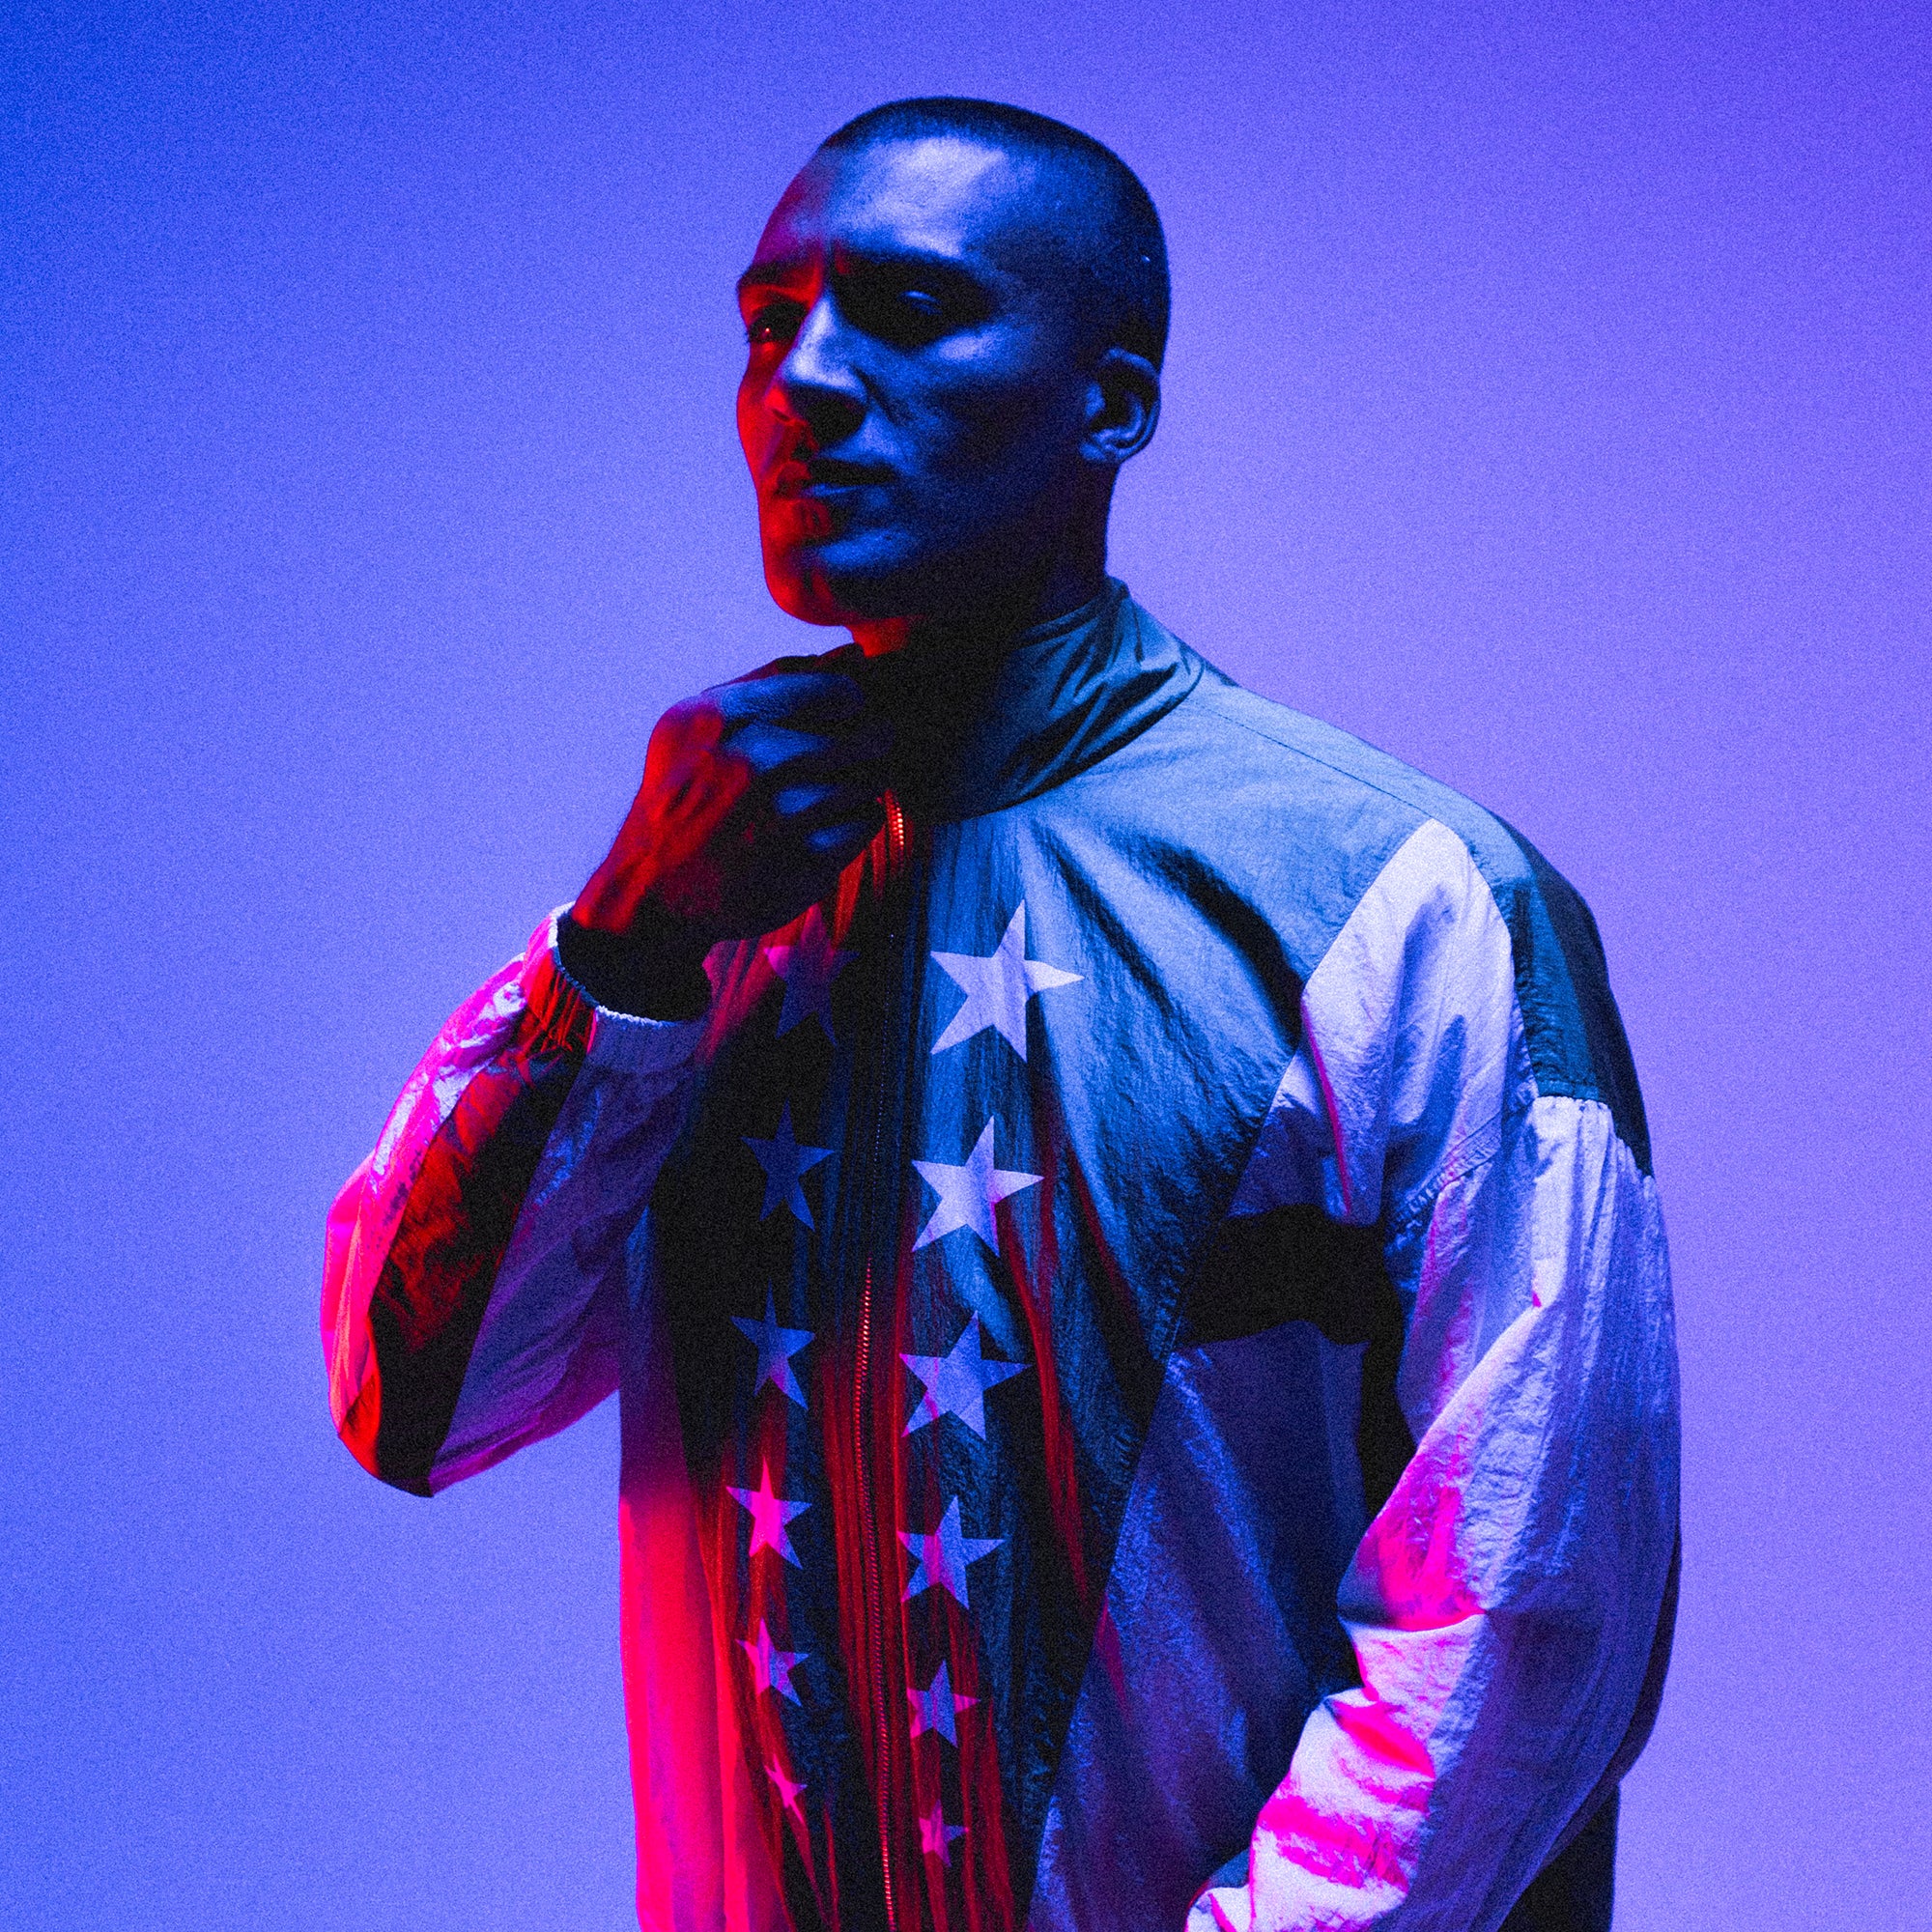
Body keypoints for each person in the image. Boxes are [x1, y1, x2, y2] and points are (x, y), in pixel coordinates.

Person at [322, 98, 1679, 1932]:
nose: (800, 380)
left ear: (1107, 403)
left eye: (906, 309)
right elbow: (419, 1399)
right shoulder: (707, 882)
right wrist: (631, 938)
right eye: (765, 319)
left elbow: (1531, 1608)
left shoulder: (1408, 899)